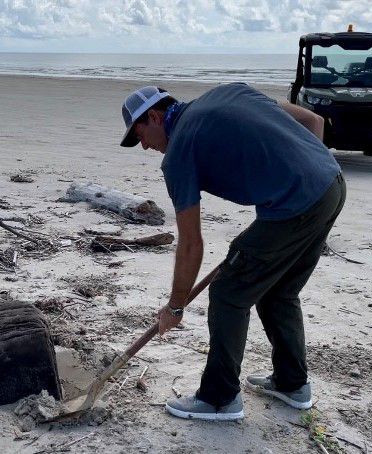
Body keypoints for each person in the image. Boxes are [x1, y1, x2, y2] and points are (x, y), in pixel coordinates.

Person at [119, 83, 345, 421]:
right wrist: (294, 175)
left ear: (154, 116)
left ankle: (219, 399)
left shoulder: (179, 153)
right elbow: (313, 122)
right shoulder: (229, 93)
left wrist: (175, 306)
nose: (144, 147)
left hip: (296, 205)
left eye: (140, 136)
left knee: (228, 291)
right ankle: (292, 383)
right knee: (279, 291)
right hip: (331, 183)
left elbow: (192, 244)